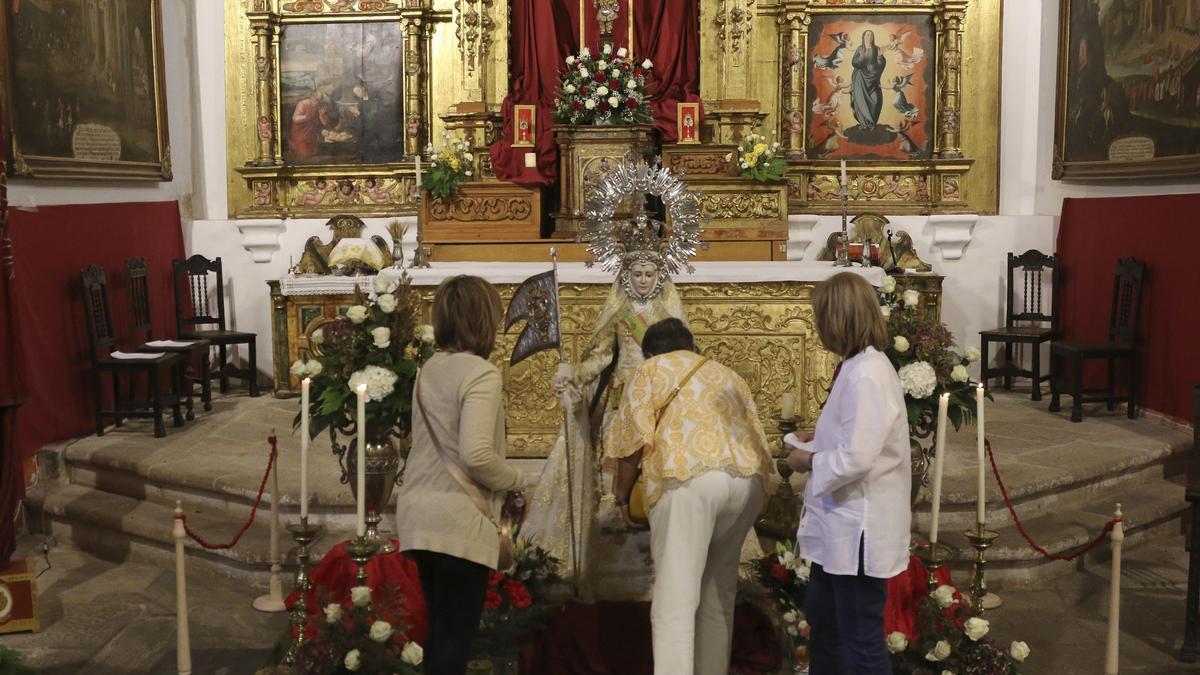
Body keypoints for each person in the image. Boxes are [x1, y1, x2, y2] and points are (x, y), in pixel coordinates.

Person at [520, 217, 689, 600]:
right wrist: (575, 374)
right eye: (638, 274)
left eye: (650, 273)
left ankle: (657, 513)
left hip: (659, 397)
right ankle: (618, 512)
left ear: (659, 276)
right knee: (619, 459)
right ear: (626, 277)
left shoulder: (669, 316)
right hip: (623, 398)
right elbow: (600, 358)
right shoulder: (619, 315)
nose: (644, 280)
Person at [606, 318, 773, 675]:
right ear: (691, 348)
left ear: (649, 352)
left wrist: (621, 497)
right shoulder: (726, 373)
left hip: (689, 477)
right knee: (717, 595)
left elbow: (633, 443)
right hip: (747, 482)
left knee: (675, 602)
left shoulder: (650, 369)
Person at [395, 275, 529, 675]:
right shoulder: (481, 374)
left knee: (440, 635)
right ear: (485, 319)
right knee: (454, 641)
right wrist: (518, 480)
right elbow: (476, 455)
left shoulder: (428, 368)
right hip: (456, 518)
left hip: (418, 512)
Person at [784, 272, 912, 674]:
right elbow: (854, 435)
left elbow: (857, 457)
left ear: (838, 320)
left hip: (859, 528)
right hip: (840, 526)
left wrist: (808, 460)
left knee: (859, 639)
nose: (818, 327)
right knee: (825, 623)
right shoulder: (858, 366)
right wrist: (817, 435)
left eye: (821, 317)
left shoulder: (868, 374)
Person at [850, 30, 887, 131]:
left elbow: (881, 64)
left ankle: (872, 124)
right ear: (864, 36)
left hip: (874, 78)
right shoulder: (860, 49)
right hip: (861, 78)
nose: (869, 36)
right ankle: (864, 124)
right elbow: (854, 63)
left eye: (871, 35)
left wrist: (880, 57)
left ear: (873, 37)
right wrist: (862, 58)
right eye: (867, 34)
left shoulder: (876, 49)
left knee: (876, 100)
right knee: (860, 100)